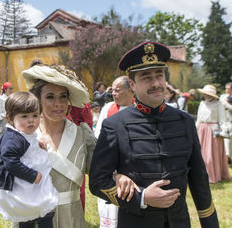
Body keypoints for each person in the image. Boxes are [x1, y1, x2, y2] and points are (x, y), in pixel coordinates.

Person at [89, 41, 219, 228]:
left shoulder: (185, 122)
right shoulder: (115, 125)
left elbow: (199, 180)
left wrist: (210, 224)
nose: (156, 83)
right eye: (146, 77)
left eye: (159, 75)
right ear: (132, 85)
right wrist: (141, 197)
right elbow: (97, 181)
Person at [21, 64, 96, 228]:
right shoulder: (25, 137)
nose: (58, 103)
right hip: (35, 218)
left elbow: (101, 174)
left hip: (72, 217)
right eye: (50, 97)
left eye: (63, 96)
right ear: (37, 99)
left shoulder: (82, 134)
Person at [0, 92, 58, 227]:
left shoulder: (23, 132)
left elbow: (27, 142)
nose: (31, 120)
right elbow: (10, 161)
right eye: (24, 116)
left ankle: (38, 219)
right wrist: (31, 175)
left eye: (35, 116)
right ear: (10, 118)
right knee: (31, 209)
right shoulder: (12, 138)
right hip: (21, 182)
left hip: (31, 182)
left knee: (40, 208)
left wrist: (37, 142)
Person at [94, 75, 134, 228]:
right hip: (110, 164)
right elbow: (98, 135)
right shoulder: (108, 108)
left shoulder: (138, 108)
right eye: (113, 91)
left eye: (118, 90)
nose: (114, 94)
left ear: (131, 90)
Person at [196, 85, 230, 183]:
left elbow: (223, 119)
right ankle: (203, 174)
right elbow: (199, 119)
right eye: (204, 93)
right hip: (203, 130)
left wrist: (223, 131)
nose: (205, 95)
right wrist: (195, 129)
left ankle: (213, 174)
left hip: (213, 130)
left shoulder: (219, 104)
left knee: (212, 154)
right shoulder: (202, 103)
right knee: (202, 154)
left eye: (207, 93)